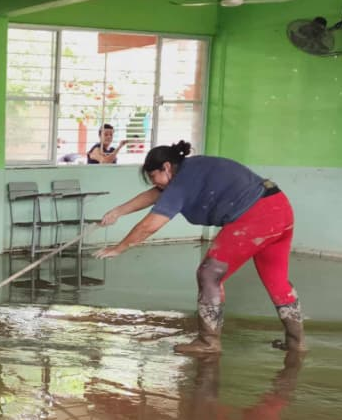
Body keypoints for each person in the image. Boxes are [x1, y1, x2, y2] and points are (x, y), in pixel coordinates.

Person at [94, 140, 304, 354]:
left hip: (255, 217)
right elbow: (156, 193)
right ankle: (296, 342)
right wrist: (118, 212)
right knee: (277, 280)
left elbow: (149, 226)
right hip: (279, 207)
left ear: (166, 167)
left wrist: (119, 248)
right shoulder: (191, 168)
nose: (153, 182)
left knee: (209, 273)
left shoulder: (181, 183)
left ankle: (208, 341)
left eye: (152, 176)